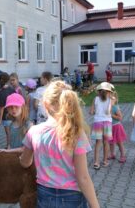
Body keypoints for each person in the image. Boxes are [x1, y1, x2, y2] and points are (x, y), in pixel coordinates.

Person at [20, 80, 99, 208]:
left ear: (45, 104)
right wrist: (95, 205)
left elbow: (25, 162)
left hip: (44, 194)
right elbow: (83, 177)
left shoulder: (33, 131)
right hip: (72, 196)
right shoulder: (77, 134)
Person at [89, 82, 114, 170]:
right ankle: (105, 161)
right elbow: (109, 111)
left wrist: (95, 111)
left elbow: (91, 112)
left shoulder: (95, 99)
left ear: (99, 91)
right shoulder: (111, 99)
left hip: (97, 122)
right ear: (108, 91)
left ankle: (96, 162)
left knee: (98, 143)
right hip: (107, 122)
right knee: (106, 142)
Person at [0, 73, 15, 149]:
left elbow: (2, 107)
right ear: (8, 80)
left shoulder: (1, 92)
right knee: (13, 132)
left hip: (6, 116)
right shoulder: (12, 89)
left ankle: (8, 146)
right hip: (14, 114)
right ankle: (12, 145)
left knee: (8, 133)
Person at [108, 91, 127, 163]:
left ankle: (123, 155)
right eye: (109, 99)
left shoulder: (115, 108)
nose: (110, 101)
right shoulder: (108, 108)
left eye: (112, 99)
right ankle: (112, 154)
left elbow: (120, 118)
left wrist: (111, 115)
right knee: (111, 142)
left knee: (119, 142)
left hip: (116, 127)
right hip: (110, 127)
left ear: (115, 100)